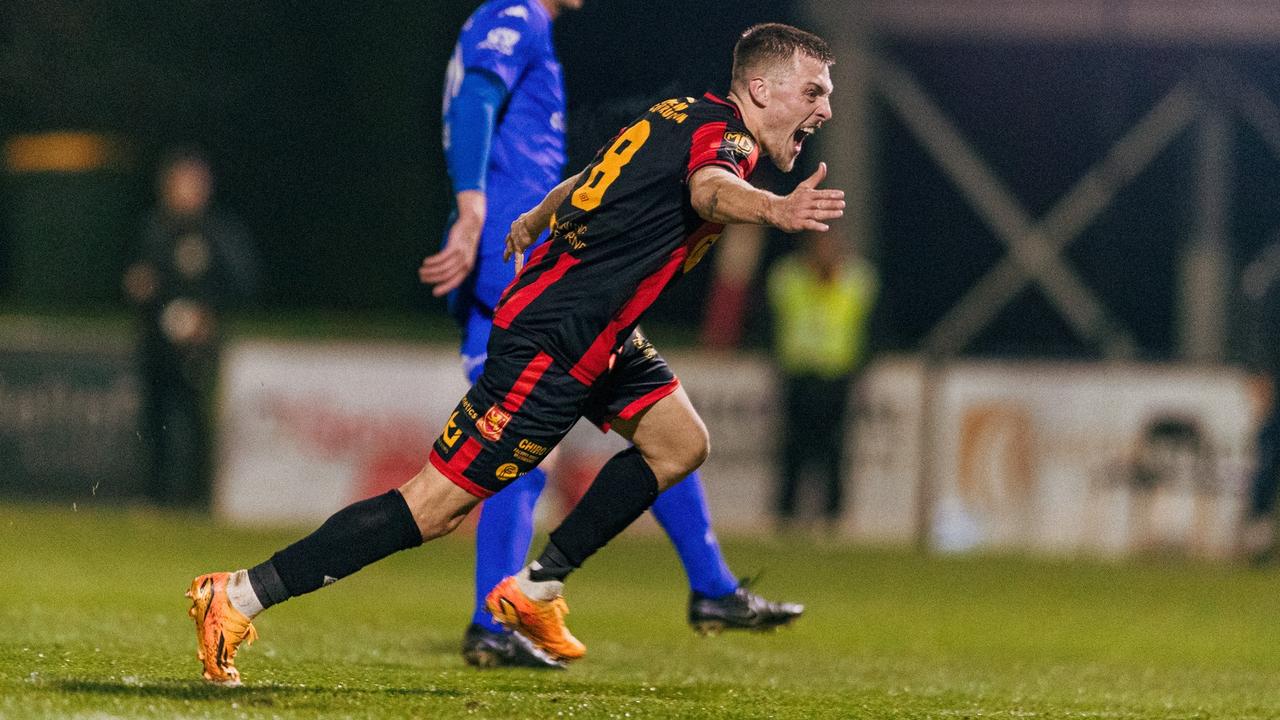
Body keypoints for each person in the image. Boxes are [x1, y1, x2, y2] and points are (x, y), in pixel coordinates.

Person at [187, 22, 840, 685]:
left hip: (598, 329)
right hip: (554, 338)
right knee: (433, 507)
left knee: (679, 442)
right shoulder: (725, 140)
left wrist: (537, 215)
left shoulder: (681, 113)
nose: (825, 109)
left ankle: (538, 586)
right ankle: (238, 595)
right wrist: (774, 210)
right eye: (814, 91)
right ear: (760, 88)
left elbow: (595, 176)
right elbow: (709, 190)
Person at [420, 0, 801, 669]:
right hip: (517, 268)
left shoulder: (516, 22)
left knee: (665, 426)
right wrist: (475, 208)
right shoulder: (517, 15)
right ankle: (493, 620)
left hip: (545, 259)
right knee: (512, 455)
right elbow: (478, 95)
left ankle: (710, 585)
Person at [124, 148, 259, 507]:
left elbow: (243, 284)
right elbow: (139, 277)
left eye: (193, 183)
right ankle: (154, 497)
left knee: (197, 422)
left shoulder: (220, 232)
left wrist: (210, 317)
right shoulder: (153, 228)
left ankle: (198, 501)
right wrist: (141, 287)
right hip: (157, 344)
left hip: (200, 347)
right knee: (155, 420)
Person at [765, 231, 877, 532]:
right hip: (797, 373)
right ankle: (785, 516)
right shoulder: (788, 276)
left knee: (834, 449)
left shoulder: (858, 279)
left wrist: (863, 365)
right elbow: (767, 320)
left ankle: (832, 518)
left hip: (837, 376)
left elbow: (873, 325)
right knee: (793, 447)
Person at [1237, 239, 1280, 563]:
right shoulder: (1270, 273)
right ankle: (1257, 537)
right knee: (1269, 454)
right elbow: (1261, 330)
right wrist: (1261, 372)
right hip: (1276, 379)